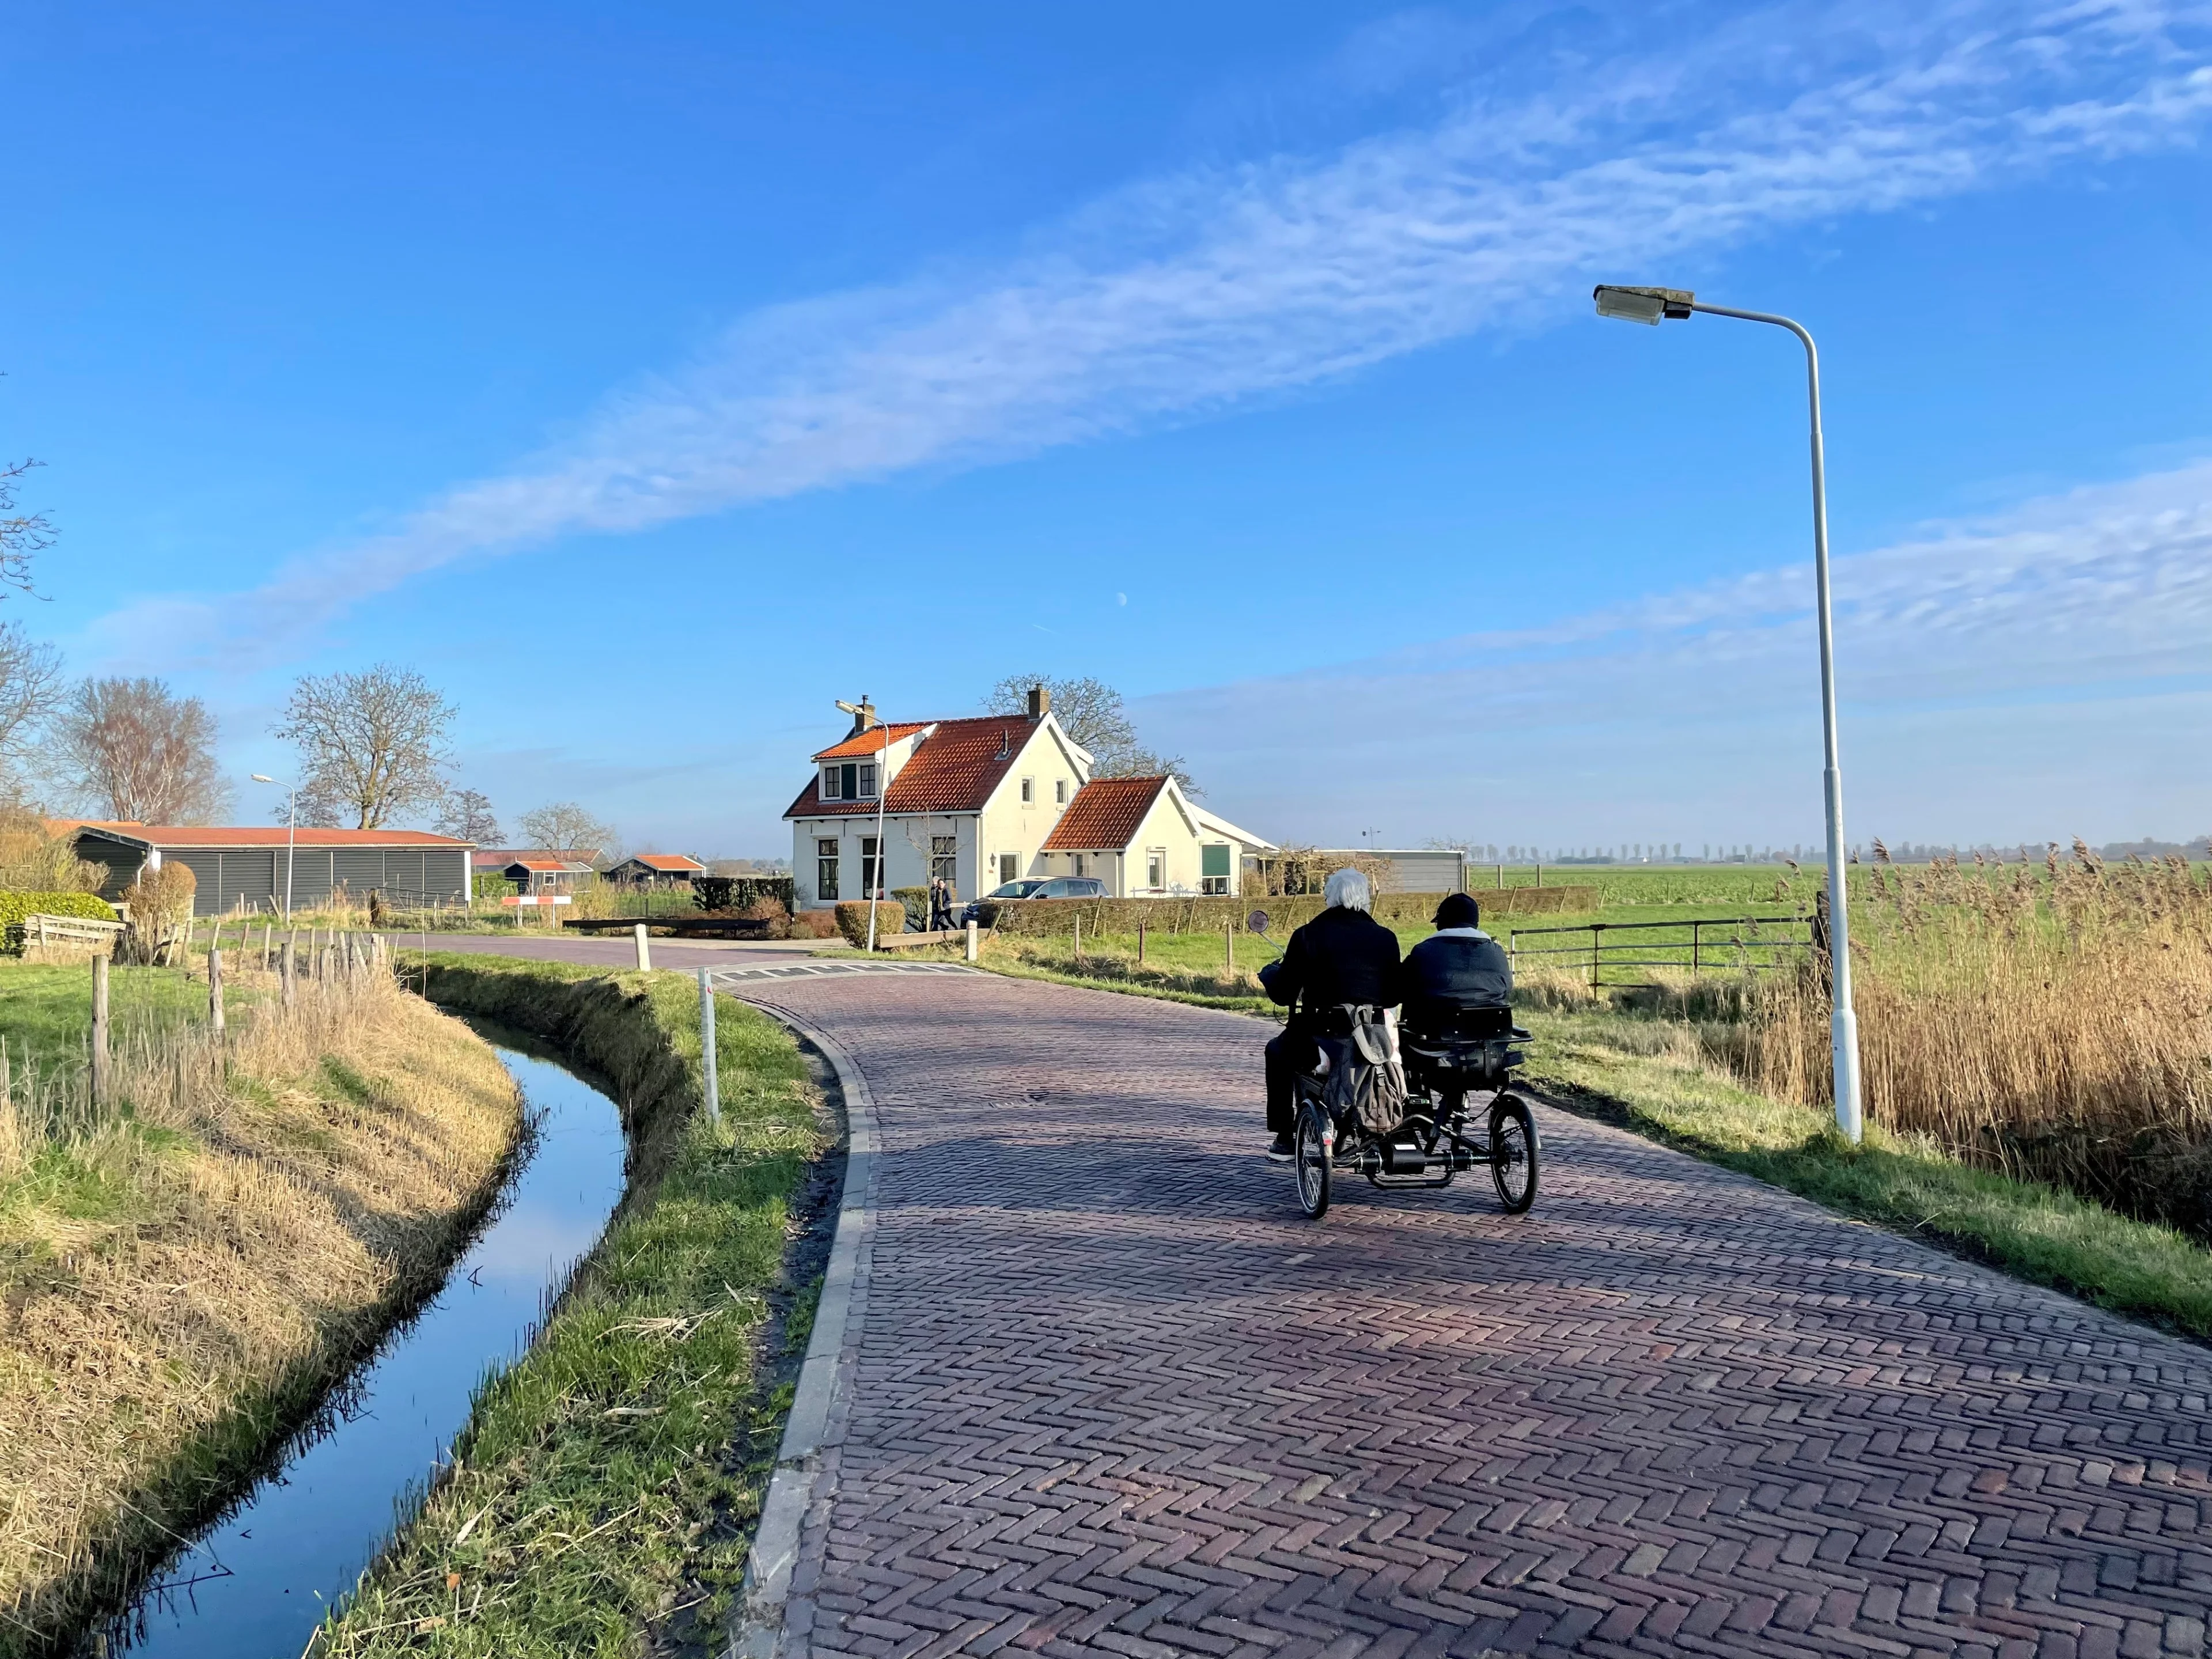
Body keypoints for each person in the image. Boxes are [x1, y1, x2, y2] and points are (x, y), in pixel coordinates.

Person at [1256, 867, 1401, 1160]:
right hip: (1372, 1042)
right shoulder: (1386, 938)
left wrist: (1270, 975)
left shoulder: (1308, 935)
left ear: (1329, 898)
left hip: (1321, 1041)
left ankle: (1285, 1136)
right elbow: (1393, 996)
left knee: (1276, 1051)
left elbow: (1284, 994)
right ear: (1365, 897)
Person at [1396, 892, 1513, 1036]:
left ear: (1442, 924)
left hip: (1432, 1042)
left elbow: (1399, 991)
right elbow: (1507, 988)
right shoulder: (1496, 952)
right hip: (1490, 1040)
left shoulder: (1424, 952)